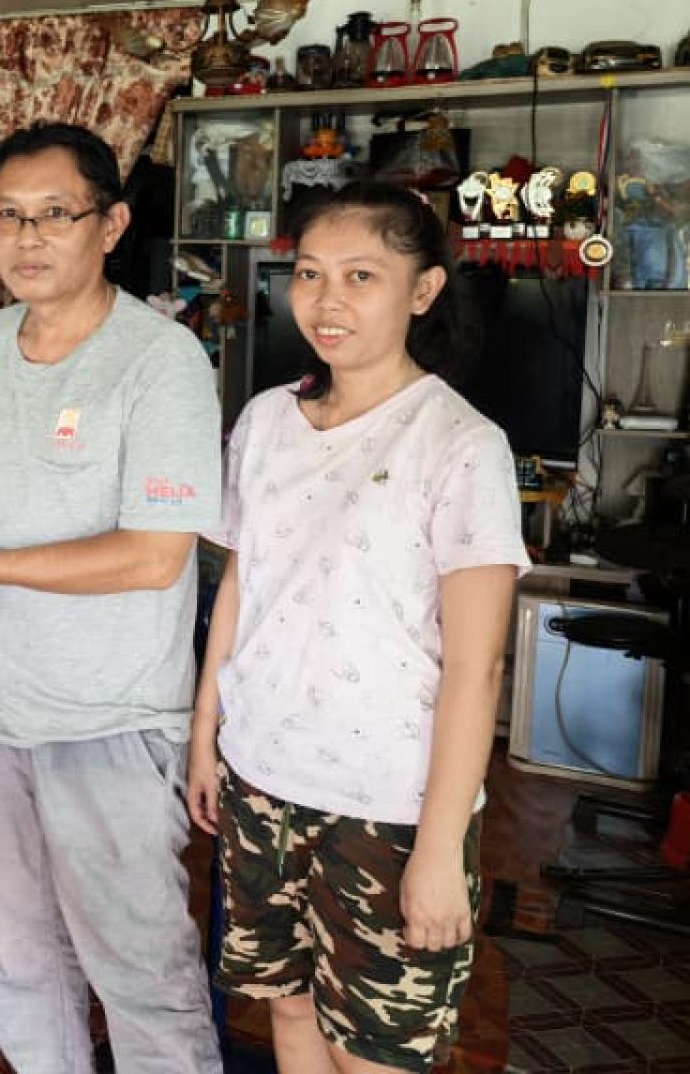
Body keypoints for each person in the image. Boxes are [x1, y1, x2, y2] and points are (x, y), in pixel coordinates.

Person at [0, 121, 222, 1073]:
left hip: (110, 717)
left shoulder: (162, 360)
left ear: (110, 225)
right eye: (7, 216)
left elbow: (154, 556)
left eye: (55, 214)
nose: (27, 239)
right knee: (21, 956)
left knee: (141, 972)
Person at [186, 183, 527, 1074]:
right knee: (288, 1011)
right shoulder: (266, 420)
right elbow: (242, 585)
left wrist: (440, 850)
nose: (327, 300)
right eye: (309, 273)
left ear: (424, 290)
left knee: (375, 1053)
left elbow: (478, 669)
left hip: (388, 805)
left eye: (361, 276)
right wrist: (205, 732)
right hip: (262, 775)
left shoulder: (460, 444)